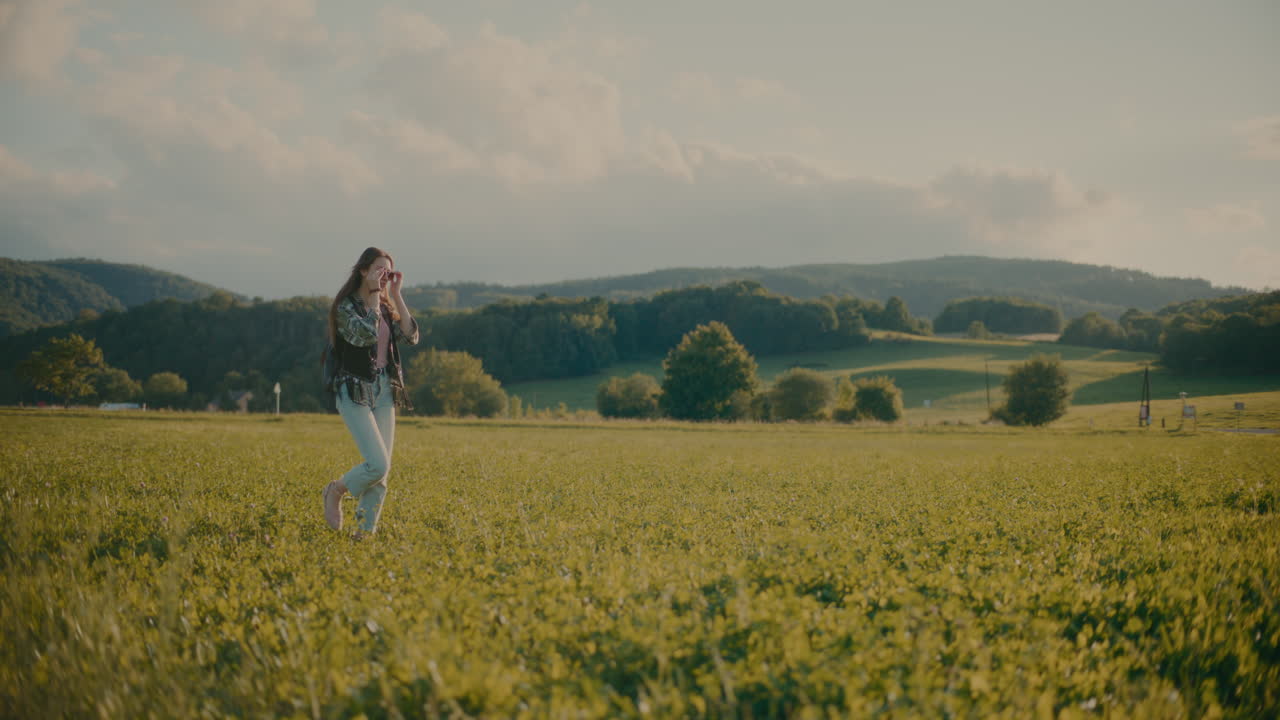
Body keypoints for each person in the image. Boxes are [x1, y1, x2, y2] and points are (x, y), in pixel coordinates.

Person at [322, 247, 420, 537]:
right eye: (379, 269)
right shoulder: (346, 308)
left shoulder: (387, 307)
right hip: (353, 390)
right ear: (363, 271)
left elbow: (411, 336)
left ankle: (363, 535)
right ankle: (336, 490)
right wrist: (377, 295)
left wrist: (397, 294)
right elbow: (365, 334)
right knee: (377, 463)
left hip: (384, 390)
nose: (384, 276)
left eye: (388, 271)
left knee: (382, 472)